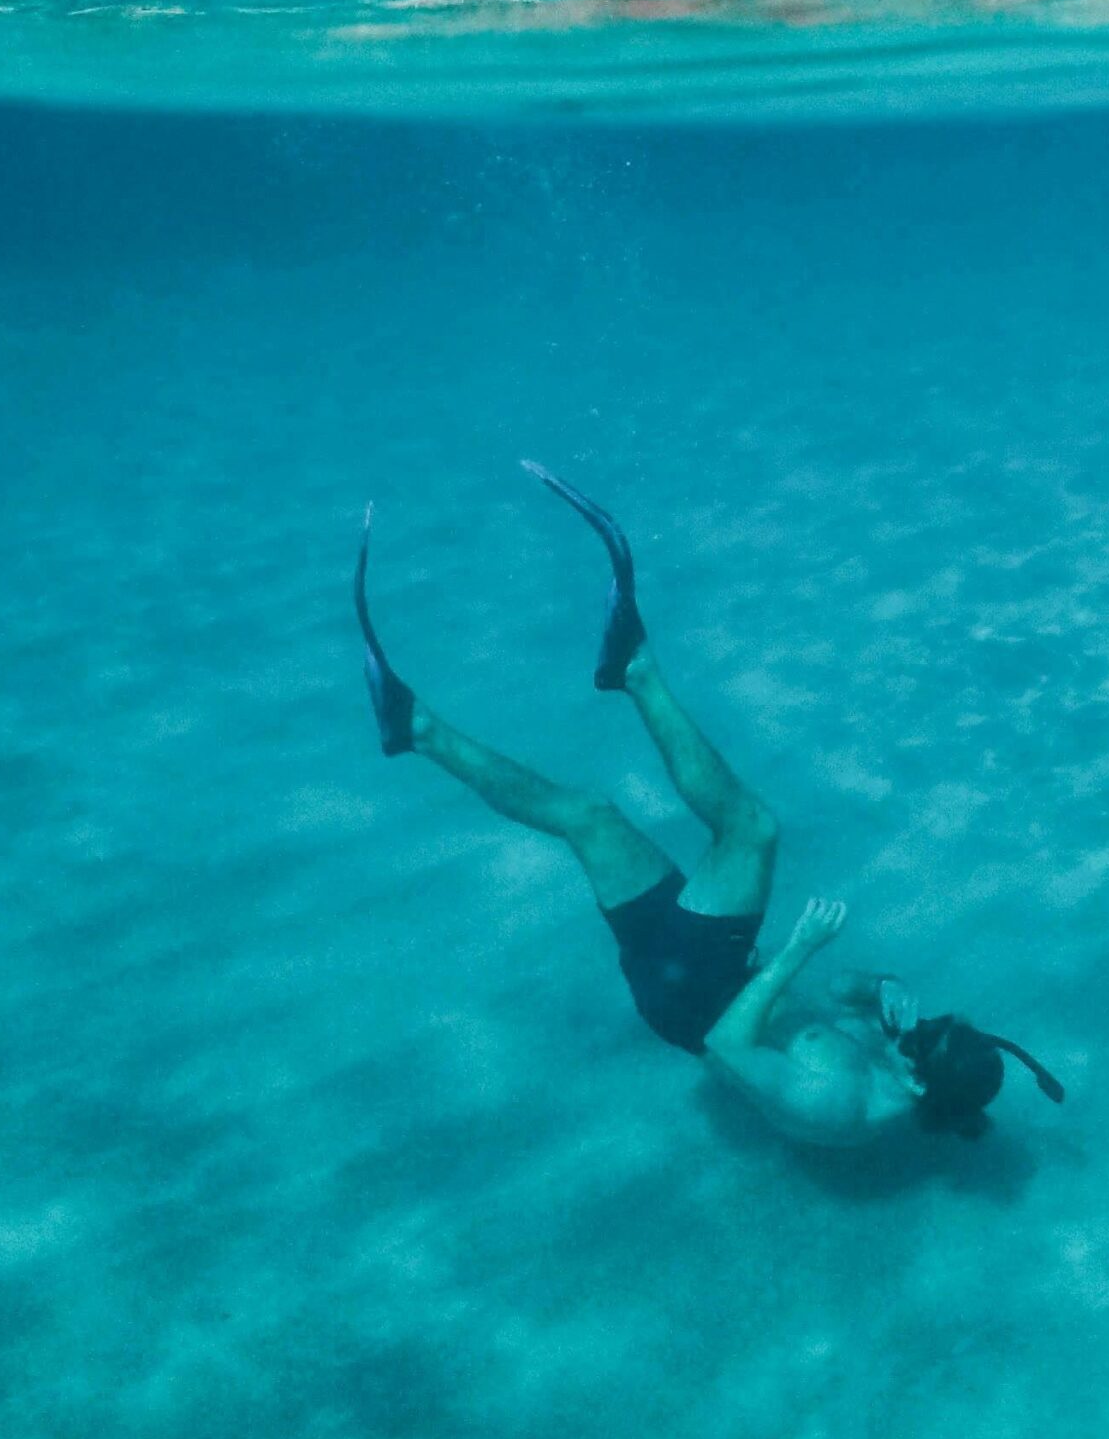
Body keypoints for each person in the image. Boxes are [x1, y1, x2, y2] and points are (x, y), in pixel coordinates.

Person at [355, 463, 1065, 1145]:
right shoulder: (897, 1058)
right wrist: (883, 989)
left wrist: (796, 950)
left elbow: (727, 1048)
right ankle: (414, 728)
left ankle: (635, 669)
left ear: (916, 1083)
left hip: (694, 1000)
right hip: (709, 973)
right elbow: (836, 996)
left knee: (751, 829)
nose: (920, 1029)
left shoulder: (839, 1106)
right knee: (589, 815)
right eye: (938, 1023)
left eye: (926, 1039)